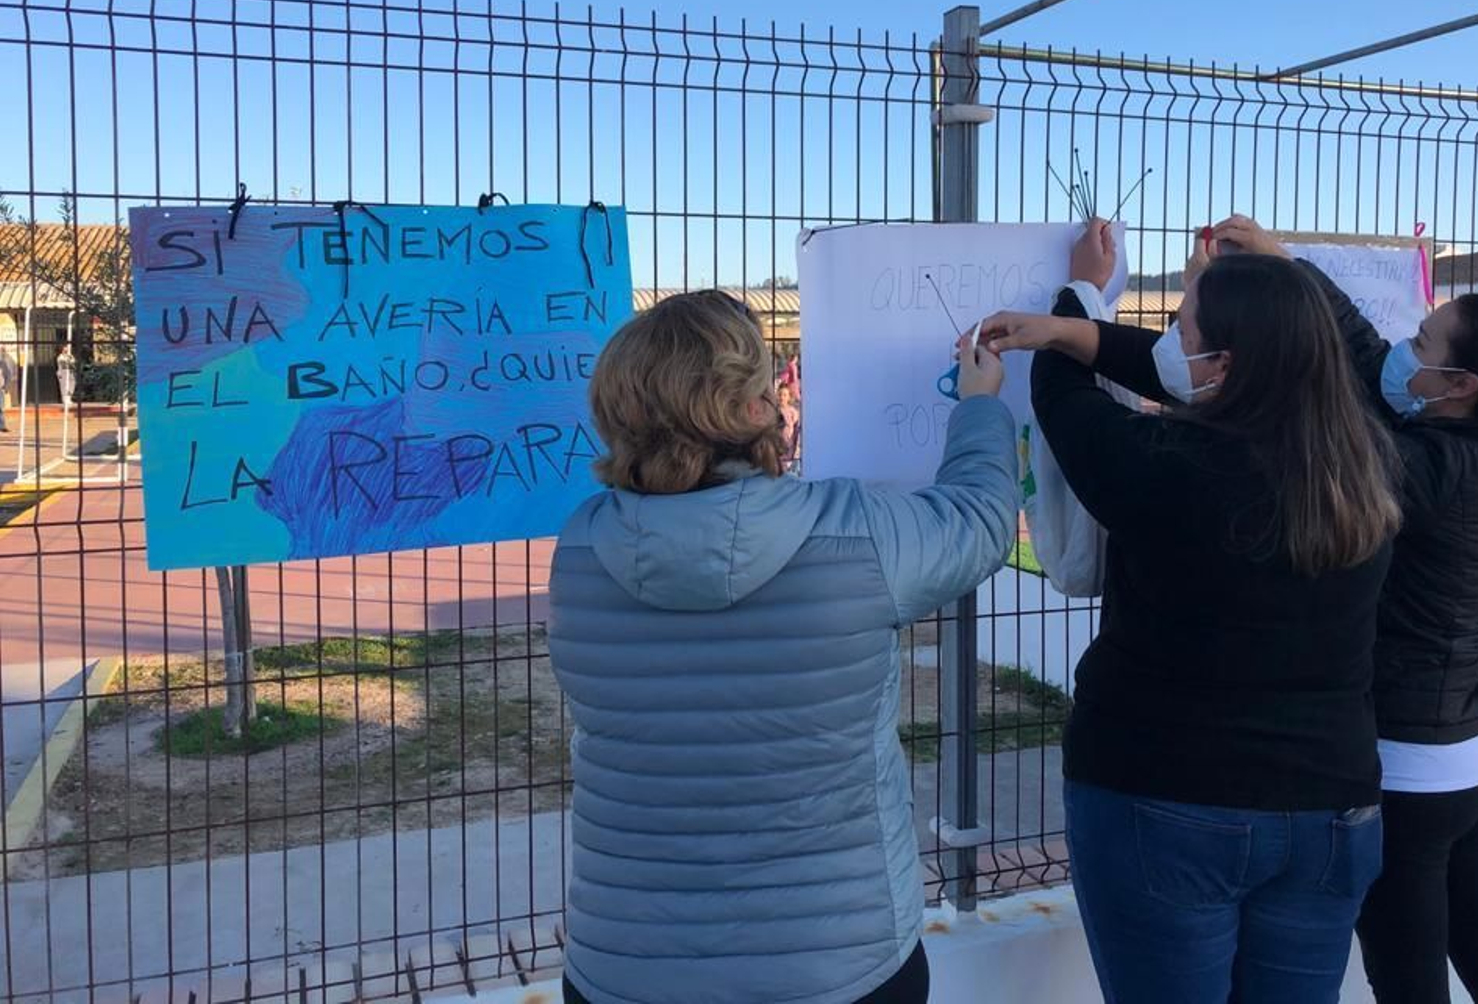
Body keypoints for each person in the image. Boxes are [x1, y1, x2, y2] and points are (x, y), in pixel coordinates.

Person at [548, 289, 1019, 1004]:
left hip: (623, 965)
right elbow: (982, 520)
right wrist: (980, 402)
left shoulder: (580, 547)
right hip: (841, 965)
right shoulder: (854, 533)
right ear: (753, 409)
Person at [981, 222, 1401, 1004]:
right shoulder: (1369, 460)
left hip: (1167, 802)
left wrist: (1075, 296)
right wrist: (1078, 325)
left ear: (1225, 364)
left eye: (1180, 322)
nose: (1169, 334)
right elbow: (1187, 372)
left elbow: (1063, 397)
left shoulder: (1169, 466)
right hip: (1330, 813)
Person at [1214, 214, 1478, 1004]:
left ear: (1460, 387)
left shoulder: (1422, 467)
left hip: (1415, 778)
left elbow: (1332, 415)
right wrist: (1289, 266)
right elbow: (1365, 358)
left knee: (1410, 982)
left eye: (1422, 343)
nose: (1402, 351)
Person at [776, 380, 801, 469]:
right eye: (780, 394)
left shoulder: (792, 411)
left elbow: (796, 431)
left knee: (787, 465)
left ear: (789, 397)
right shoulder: (774, 410)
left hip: (788, 445)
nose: (782, 397)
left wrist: (796, 450)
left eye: (784, 395)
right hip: (777, 444)